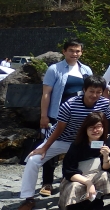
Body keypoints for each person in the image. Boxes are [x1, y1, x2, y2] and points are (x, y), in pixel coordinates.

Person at [18, 75, 110, 210]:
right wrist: (44, 147)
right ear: (84, 89)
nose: (95, 95)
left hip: (85, 142)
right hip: (63, 139)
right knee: (33, 160)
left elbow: (105, 125)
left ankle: (104, 185)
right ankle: (28, 198)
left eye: (99, 92)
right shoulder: (70, 104)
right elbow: (59, 128)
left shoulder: (104, 103)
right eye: (91, 91)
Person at [38, 38, 94, 197]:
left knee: (77, 146)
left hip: (80, 115)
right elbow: (46, 93)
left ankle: (71, 177)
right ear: (64, 51)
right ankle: (47, 182)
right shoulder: (54, 69)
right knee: (51, 145)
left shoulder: (86, 70)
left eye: (78, 51)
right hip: (58, 114)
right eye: (71, 50)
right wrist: (44, 115)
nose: (75, 54)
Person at [58, 112, 110, 210]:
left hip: (98, 175)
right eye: (91, 127)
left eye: (98, 127)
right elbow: (68, 171)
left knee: (104, 176)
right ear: (85, 129)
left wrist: (106, 157)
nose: (95, 130)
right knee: (74, 188)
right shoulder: (77, 144)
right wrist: (88, 183)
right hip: (78, 177)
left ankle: (96, 199)